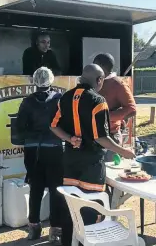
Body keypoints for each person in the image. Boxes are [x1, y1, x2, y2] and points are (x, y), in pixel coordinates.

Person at [50, 63, 136, 246]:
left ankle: (69, 241)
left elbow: (53, 125)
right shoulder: (98, 101)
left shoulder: (65, 97)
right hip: (91, 163)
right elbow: (101, 138)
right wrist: (124, 152)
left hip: (70, 161)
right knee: (90, 206)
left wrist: (70, 138)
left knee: (71, 204)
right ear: (99, 80)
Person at [16, 67, 64, 244]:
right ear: (51, 81)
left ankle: (34, 228)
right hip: (54, 149)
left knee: (35, 189)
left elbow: (20, 127)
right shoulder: (59, 99)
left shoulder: (27, 102)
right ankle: (56, 230)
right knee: (55, 190)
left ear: (33, 81)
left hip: (32, 150)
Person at [93, 53, 136, 150]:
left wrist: (105, 117)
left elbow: (132, 109)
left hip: (110, 136)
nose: (92, 68)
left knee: (109, 165)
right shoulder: (95, 82)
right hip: (93, 136)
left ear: (101, 66)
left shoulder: (118, 84)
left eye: (94, 65)